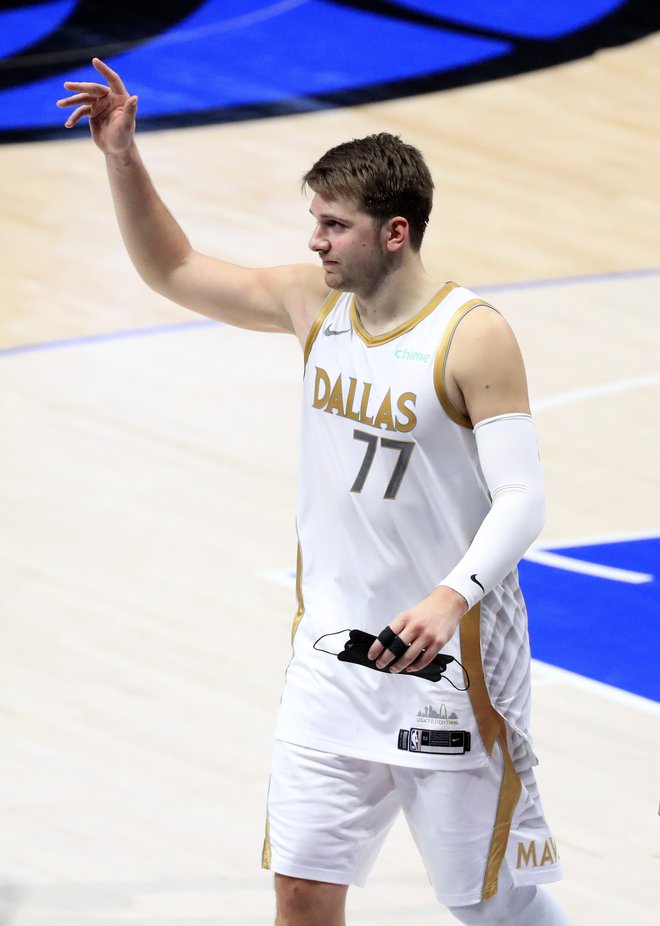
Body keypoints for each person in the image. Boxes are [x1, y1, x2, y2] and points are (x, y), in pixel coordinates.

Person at [57, 59, 570, 926]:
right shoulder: (312, 304)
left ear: (395, 232)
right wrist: (121, 156)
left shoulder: (471, 336)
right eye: (314, 222)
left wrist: (450, 597)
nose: (314, 242)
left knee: (493, 907)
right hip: (332, 660)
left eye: (334, 225)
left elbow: (524, 498)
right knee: (300, 888)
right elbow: (175, 269)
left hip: (451, 667)